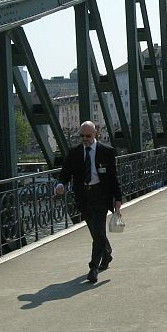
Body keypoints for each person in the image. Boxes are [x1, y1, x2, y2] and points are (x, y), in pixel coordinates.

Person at [55, 121, 123, 283]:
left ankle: (93, 268)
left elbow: (113, 177)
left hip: (101, 195)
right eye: (82, 136)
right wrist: (59, 185)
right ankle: (106, 254)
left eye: (88, 136)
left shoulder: (107, 151)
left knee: (99, 232)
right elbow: (65, 173)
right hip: (83, 197)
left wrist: (118, 198)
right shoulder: (74, 153)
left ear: (96, 134)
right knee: (95, 232)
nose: (85, 139)